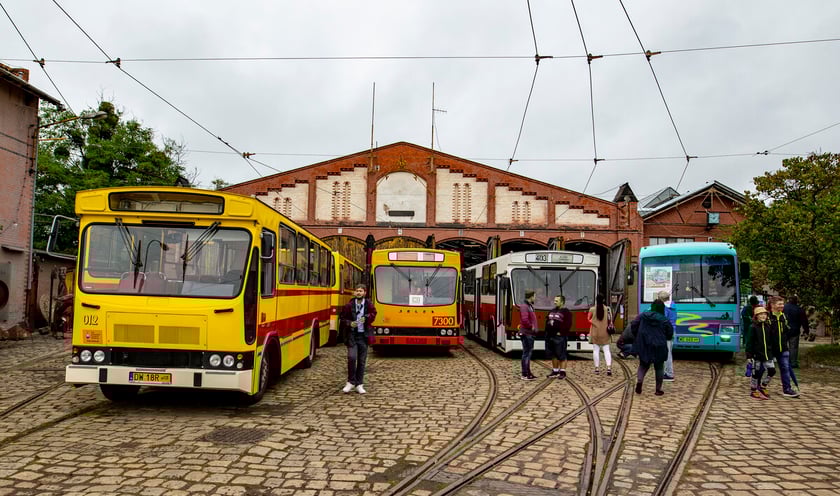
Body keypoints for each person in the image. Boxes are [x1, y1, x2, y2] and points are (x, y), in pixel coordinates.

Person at [629, 299, 673, 396]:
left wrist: (638, 335)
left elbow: (633, 325)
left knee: (643, 365)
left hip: (644, 343)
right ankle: (658, 389)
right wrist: (665, 337)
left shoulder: (643, 316)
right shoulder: (664, 319)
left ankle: (639, 381)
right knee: (659, 367)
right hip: (659, 345)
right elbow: (670, 332)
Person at [339, 285, 377, 394]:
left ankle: (359, 384)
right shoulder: (349, 305)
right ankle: (350, 382)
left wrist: (367, 317)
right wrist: (350, 323)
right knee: (352, 357)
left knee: (361, 361)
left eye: (361, 291)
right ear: (354, 293)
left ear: (365, 293)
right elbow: (342, 318)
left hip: (363, 336)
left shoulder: (369, 304)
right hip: (352, 336)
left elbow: (373, 314)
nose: (359, 292)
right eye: (357, 291)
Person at [768, 296, 799, 398]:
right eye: (779, 304)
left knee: (785, 368)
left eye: (782, 304)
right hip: (770, 348)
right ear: (773, 305)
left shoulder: (784, 316)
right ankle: (758, 387)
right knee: (764, 369)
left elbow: (786, 331)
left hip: (783, 348)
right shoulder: (767, 317)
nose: (782, 306)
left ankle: (787, 389)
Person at [748, 306, 776, 400]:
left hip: (768, 354)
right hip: (757, 355)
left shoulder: (768, 326)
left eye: (765, 314)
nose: (763, 316)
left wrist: (773, 351)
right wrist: (749, 355)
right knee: (755, 373)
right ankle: (753, 390)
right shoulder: (753, 327)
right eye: (761, 314)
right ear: (756, 316)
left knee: (772, 371)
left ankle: (763, 386)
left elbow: (772, 340)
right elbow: (749, 342)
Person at [545, 294, 573, 379]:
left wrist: (561, 332)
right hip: (550, 336)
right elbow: (547, 320)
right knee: (553, 355)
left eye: (556, 301)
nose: (554, 302)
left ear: (562, 302)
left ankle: (563, 372)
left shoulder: (566, 312)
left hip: (560, 337)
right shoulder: (552, 310)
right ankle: (555, 371)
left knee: (561, 354)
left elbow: (568, 324)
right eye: (554, 300)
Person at [588, 294, 613, 376]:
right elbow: (610, 320)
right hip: (605, 332)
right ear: (603, 300)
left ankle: (597, 368)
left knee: (596, 350)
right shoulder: (608, 309)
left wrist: (594, 323)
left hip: (595, 332)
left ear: (596, 300)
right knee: (607, 350)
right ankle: (608, 367)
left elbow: (588, 319)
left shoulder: (592, 309)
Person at [518, 289, 538, 380]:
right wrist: (531, 327)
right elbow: (525, 319)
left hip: (529, 333)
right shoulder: (525, 306)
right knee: (527, 353)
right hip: (527, 333)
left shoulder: (529, 306)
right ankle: (525, 374)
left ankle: (528, 372)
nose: (535, 298)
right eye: (534, 296)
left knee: (528, 353)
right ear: (531, 297)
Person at [657, 290, 677, 382]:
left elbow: (662, 320)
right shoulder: (673, 305)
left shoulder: (665, 308)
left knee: (667, 354)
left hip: (666, 332)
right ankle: (666, 372)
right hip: (672, 330)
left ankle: (669, 374)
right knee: (668, 352)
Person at [783, 295, 807, 368]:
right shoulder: (799, 309)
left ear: (788, 300)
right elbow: (804, 321)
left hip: (783, 330)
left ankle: (783, 361)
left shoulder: (783, 308)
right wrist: (806, 330)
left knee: (783, 346)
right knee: (793, 347)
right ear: (796, 301)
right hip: (795, 330)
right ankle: (793, 363)